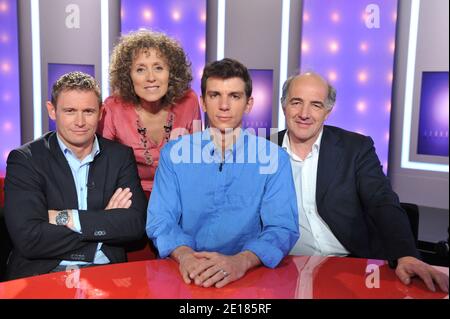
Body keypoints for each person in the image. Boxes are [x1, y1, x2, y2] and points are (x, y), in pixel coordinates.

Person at [276, 71, 449, 293]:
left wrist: (405, 253)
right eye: (296, 102)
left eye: (316, 105)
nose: (304, 113)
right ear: (283, 106)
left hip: (353, 266)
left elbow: (381, 200)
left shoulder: (355, 148)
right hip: (287, 268)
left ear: (328, 111)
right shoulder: (264, 149)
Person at [146, 58, 299, 288]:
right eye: (215, 95)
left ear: (249, 104)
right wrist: (186, 256)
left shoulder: (274, 159)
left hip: (249, 277)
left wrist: (241, 262)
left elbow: (282, 228)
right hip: (185, 274)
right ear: (203, 102)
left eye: (234, 96)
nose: (224, 105)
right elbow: (160, 220)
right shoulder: (174, 154)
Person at [4, 72, 147, 280]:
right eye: (70, 111)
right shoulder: (26, 159)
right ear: (52, 111)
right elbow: (29, 238)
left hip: (107, 272)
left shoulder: (120, 156)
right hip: (44, 273)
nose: (80, 121)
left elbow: (134, 225)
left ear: (101, 113)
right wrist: (105, 222)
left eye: (88, 111)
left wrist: (67, 218)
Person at [98, 29, 202, 195]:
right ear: (128, 76)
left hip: (178, 192)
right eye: (140, 69)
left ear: (172, 73)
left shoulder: (189, 101)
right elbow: (102, 168)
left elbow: (196, 159)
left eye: (158, 68)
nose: (151, 77)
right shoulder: (113, 108)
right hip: (130, 195)